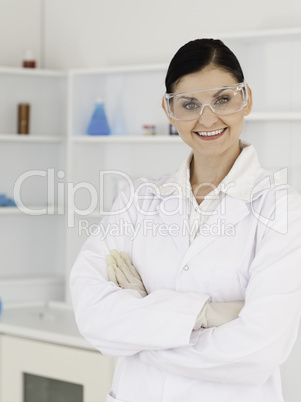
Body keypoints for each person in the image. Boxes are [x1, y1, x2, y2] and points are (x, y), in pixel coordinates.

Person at [70, 39, 301, 402]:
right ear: (170, 111)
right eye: (189, 104)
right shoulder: (138, 200)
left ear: (247, 100)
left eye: (222, 99)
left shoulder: (282, 210)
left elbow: (259, 353)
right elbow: (92, 316)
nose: (207, 119)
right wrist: (207, 314)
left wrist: (141, 323)